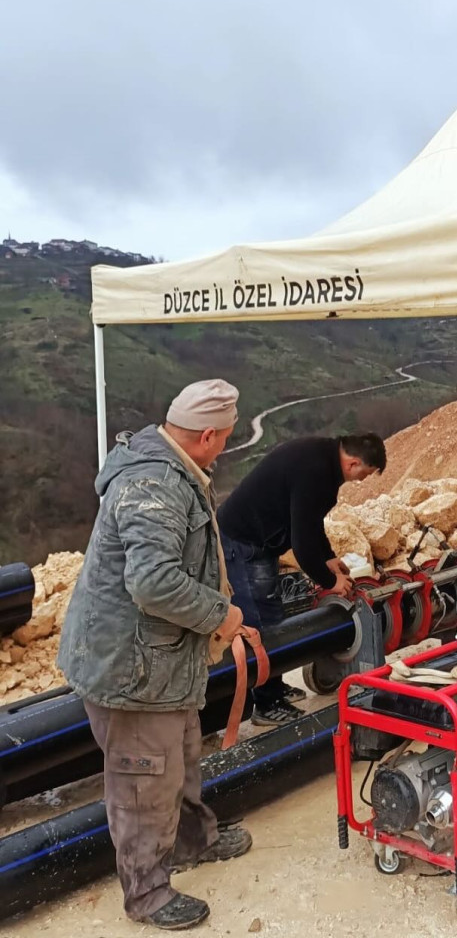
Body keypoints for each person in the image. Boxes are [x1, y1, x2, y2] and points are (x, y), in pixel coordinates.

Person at [57, 380, 249, 931]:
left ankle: (193, 840)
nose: (226, 446)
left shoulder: (168, 463)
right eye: (226, 437)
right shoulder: (155, 483)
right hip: (131, 670)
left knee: (182, 754)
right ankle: (148, 894)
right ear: (208, 434)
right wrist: (222, 615)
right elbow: (153, 582)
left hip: (160, 663)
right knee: (143, 781)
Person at [217, 432, 386, 725]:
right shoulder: (316, 471)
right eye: (366, 474)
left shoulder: (324, 457)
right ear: (354, 463)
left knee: (271, 616)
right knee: (258, 624)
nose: (363, 480)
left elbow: (310, 519)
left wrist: (329, 557)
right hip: (243, 543)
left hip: (261, 541)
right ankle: (265, 705)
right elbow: (302, 541)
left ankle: (274, 685)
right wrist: (329, 581)